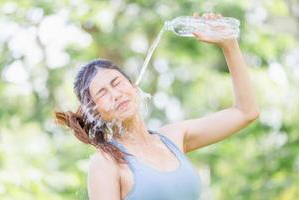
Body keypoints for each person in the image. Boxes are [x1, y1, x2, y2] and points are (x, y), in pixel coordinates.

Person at [54, 11, 260, 200]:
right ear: (95, 113)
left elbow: (246, 112)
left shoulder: (173, 138)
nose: (115, 95)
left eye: (116, 83)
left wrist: (230, 46)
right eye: (103, 94)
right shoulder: (106, 163)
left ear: (133, 86)